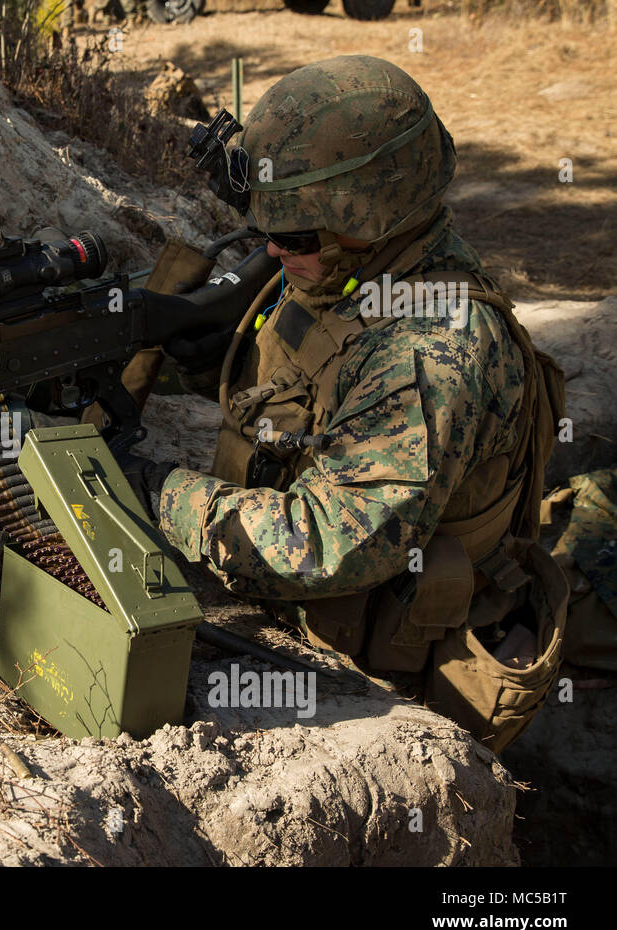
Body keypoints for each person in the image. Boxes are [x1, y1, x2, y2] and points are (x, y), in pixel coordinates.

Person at [126, 55, 568, 753]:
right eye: (267, 225)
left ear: (367, 215)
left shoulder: (429, 351)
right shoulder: (359, 265)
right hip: (319, 619)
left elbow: (322, 544)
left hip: (392, 682)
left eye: (297, 236)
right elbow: (303, 368)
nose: (273, 249)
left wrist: (146, 489)